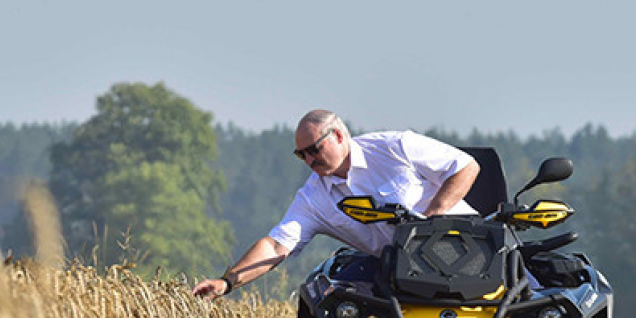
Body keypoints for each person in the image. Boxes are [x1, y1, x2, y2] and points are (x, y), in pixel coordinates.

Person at [192, 109, 479, 300]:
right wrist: (226, 282)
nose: (308, 161)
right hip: (400, 278)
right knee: (330, 306)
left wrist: (433, 217)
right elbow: (277, 245)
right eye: (300, 155)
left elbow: (466, 166)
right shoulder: (313, 198)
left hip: (471, 255)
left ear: (339, 135)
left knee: (521, 298)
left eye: (314, 150)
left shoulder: (396, 147)